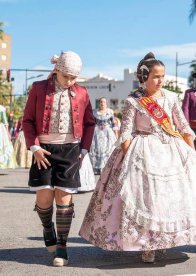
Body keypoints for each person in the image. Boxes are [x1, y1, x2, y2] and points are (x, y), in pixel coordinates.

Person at [79, 53, 196, 263]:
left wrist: (192, 154)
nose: (160, 80)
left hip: (170, 151)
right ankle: (147, 246)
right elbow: (126, 133)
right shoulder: (133, 101)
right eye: (156, 76)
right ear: (144, 77)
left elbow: (183, 127)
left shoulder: (171, 97)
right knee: (145, 201)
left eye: (162, 76)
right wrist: (129, 160)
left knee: (167, 201)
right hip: (142, 152)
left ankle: (163, 240)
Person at [22, 51, 95, 266]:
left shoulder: (82, 92)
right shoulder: (38, 89)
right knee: (43, 199)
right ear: (57, 71)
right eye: (67, 76)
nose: (71, 81)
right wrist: (34, 146)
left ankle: (62, 247)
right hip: (43, 150)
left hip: (70, 150)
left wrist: (84, 150)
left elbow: (90, 123)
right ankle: (47, 229)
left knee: (63, 198)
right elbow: (27, 120)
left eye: (74, 77)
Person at [89, 97, 117, 174]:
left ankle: (107, 167)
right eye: (101, 102)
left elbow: (114, 124)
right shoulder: (95, 112)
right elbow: (92, 123)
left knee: (108, 149)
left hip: (108, 134)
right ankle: (97, 168)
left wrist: (116, 135)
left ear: (106, 103)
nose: (102, 103)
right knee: (98, 149)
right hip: (97, 133)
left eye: (104, 102)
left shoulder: (110, 112)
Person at [0, 104, 17, 169]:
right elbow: (5, 122)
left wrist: (7, 133)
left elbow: (5, 122)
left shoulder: (1, 108)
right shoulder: (1, 108)